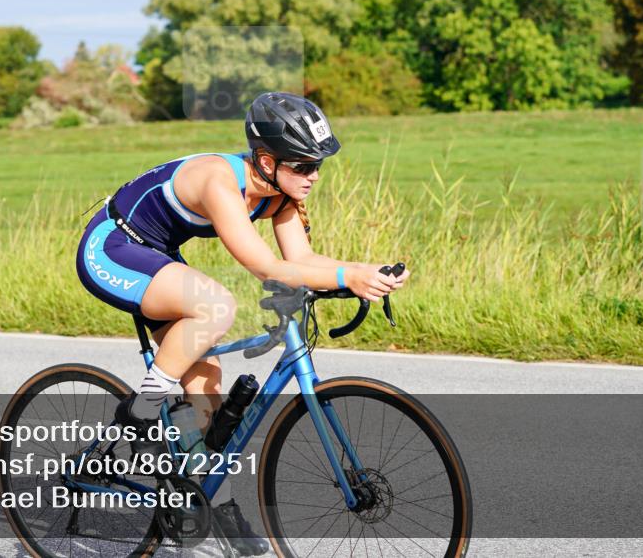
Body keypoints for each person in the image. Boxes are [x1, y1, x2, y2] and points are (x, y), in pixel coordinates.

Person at [75, 91, 410, 555]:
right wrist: (345, 277)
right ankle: (141, 412)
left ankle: (215, 501)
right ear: (267, 161)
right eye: (303, 166)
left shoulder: (282, 193)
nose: (313, 176)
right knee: (216, 306)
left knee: (206, 390)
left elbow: (302, 260)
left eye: (317, 165)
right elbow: (267, 268)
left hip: (158, 255)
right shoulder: (219, 181)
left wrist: (363, 273)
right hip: (113, 247)